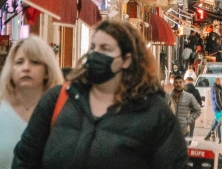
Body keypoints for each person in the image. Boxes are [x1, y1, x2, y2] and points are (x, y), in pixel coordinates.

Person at [12, 19, 187, 169]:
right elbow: (24, 159)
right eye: (93, 47)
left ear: (126, 60)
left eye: (106, 49)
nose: (96, 54)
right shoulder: (58, 99)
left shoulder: (154, 114)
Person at [0, 36, 63, 169]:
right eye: (19, 62)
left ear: (47, 71)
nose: (26, 68)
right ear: (11, 70)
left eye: (34, 62)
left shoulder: (60, 112)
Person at [204, 77, 222, 143]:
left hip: (216, 107)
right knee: (217, 122)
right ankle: (208, 136)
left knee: (219, 123)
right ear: (218, 82)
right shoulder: (216, 89)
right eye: (221, 81)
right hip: (218, 108)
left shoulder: (216, 88)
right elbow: (218, 100)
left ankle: (220, 139)